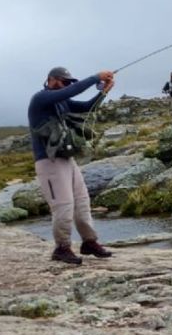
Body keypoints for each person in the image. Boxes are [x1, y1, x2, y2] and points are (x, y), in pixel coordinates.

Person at [28, 66, 115, 265]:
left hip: (67, 158)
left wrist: (103, 92)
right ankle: (62, 248)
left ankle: (89, 242)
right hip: (48, 161)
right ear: (52, 80)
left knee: (82, 201)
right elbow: (72, 91)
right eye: (64, 82)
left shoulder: (62, 101)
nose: (67, 85)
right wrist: (95, 77)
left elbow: (86, 107)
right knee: (63, 205)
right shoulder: (40, 98)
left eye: (68, 82)